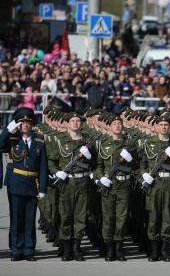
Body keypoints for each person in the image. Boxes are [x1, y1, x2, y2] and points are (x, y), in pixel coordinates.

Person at [0, 107, 48, 261]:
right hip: (15, 184)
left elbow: (43, 166)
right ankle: (16, 250)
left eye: (28, 122)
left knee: (29, 219)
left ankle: (28, 250)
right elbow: (0, 144)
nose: (25, 125)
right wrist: (8, 129)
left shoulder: (39, 141)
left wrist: (43, 188)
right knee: (16, 219)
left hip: (32, 184)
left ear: (32, 124)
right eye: (22, 122)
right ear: (18, 125)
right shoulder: (12, 140)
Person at [47, 112, 95, 261]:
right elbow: (51, 162)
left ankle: (76, 248)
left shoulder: (87, 141)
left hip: (82, 183)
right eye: (73, 121)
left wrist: (89, 157)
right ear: (67, 124)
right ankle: (66, 248)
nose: (76, 123)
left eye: (78, 121)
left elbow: (95, 164)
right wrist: (57, 172)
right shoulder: (60, 141)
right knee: (66, 215)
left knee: (80, 216)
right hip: (67, 183)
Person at [95, 114, 138, 261]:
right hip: (109, 185)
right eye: (115, 124)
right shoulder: (104, 144)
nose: (117, 126)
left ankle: (119, 247)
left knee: (122, 218)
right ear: (110, 127)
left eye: (120, 124)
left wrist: (130, 159)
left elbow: (136, 165)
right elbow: (98, 166)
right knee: (108, 218)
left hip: (123, 185)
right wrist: (101, 177)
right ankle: (109, 248)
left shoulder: (130, 144)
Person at [140, 114, 170, 262]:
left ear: (169, 127)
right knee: (153, 216)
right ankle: (154, 250)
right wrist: (144, 175)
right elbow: (142, 163)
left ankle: (165, 250)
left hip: (169, 182)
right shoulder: (148, 142)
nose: (164, 127)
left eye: (166, 125)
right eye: (161, 125)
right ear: (156, 127)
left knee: (167, 216)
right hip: (154, 183)